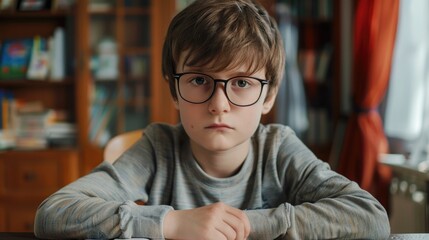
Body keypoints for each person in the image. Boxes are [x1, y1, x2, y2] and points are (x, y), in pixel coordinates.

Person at [34, 0, 391, 239]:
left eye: (241, 83)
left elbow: (370, 217)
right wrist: (171, 223)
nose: (219, 104)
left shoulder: (278, 148)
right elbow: (54, 213)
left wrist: (248, 224)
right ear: (174, 91)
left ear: (268, 96)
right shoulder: (158, 148)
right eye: (199, 80)